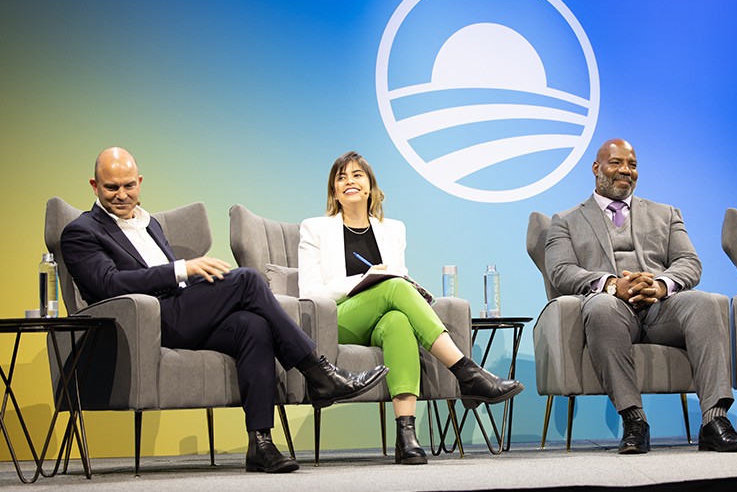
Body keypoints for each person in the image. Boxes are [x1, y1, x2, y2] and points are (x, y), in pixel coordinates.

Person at [61, 147, 389, 474]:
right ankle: (319, 372)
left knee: (253, 326)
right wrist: (182, 268)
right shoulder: (81, 232)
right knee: (246, 279)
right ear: (94, 186)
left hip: (181, 309)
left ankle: (260, 443)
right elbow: (109, 284)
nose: (122, 195)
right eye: (111, 187)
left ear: (140, 182)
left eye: (128, 186)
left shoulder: (149, 224)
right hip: (146, 322)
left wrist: (193, 282)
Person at [298, 151, 524, 465]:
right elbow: (309, 292)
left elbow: (397, 281)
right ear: (334, 191)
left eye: (357, 175)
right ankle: (465, 371)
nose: (349, 181)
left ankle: (406, 437)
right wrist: (366, 278)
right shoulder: (315, 229)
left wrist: (392, 281)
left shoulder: (393, 230)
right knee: (393, 286)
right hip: (339, 319)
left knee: (398, 320)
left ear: (371, 187)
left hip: (380, 316)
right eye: (341, 177)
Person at [544, 139, 737, 454]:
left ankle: (714, 420)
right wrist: (612, 284)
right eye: (616, 163)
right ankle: (634, 422)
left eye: (632, 164)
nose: (625, 170)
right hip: (611, 306)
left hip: (660, 307)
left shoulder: (665, 213)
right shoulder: (566, 220)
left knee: (705, 304)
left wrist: (661, 284)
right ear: (596, 168)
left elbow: (689, 263)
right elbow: (560, 271)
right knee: (601, 309)